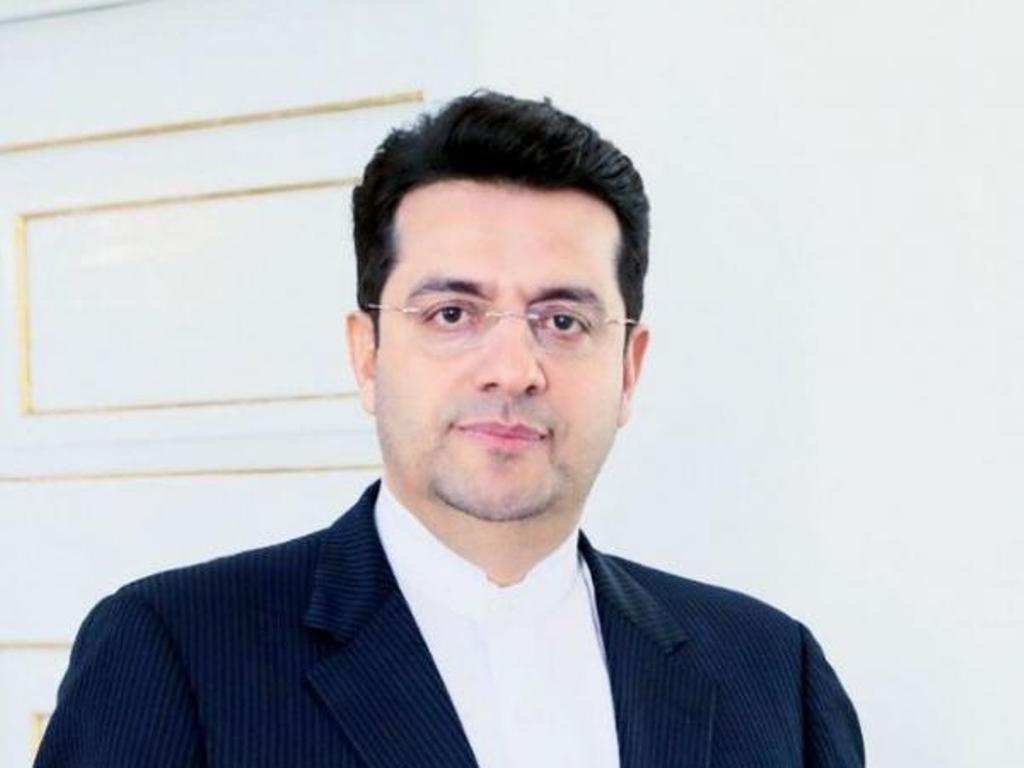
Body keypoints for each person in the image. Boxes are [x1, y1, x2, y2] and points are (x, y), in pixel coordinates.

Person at [35, 92, 864, 768]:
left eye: (564, 320)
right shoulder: (177, 652)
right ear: (367, 354)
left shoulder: (771, 669)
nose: (513, 368)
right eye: (453, 313)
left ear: (628, 369)